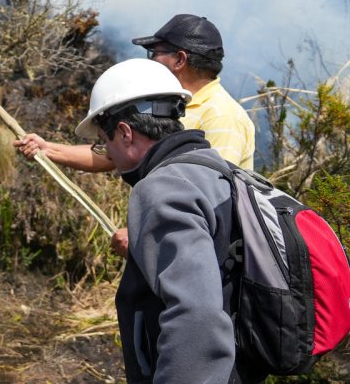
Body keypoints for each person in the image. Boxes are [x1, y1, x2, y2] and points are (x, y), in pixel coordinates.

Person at [75, 58, 264, 383]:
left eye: (104, 144)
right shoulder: (218, 172)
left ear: (124, 133)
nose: (111, 159)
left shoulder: (163, 188)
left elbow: (197, 317)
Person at [14, 13, 256, 254]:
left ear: (179, 60)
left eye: (155, 53)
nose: (150, 60)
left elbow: (213, 200)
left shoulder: (223, 116)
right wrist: (48, 149)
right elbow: (113, 154)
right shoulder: (169, 105)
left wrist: (145, 235)